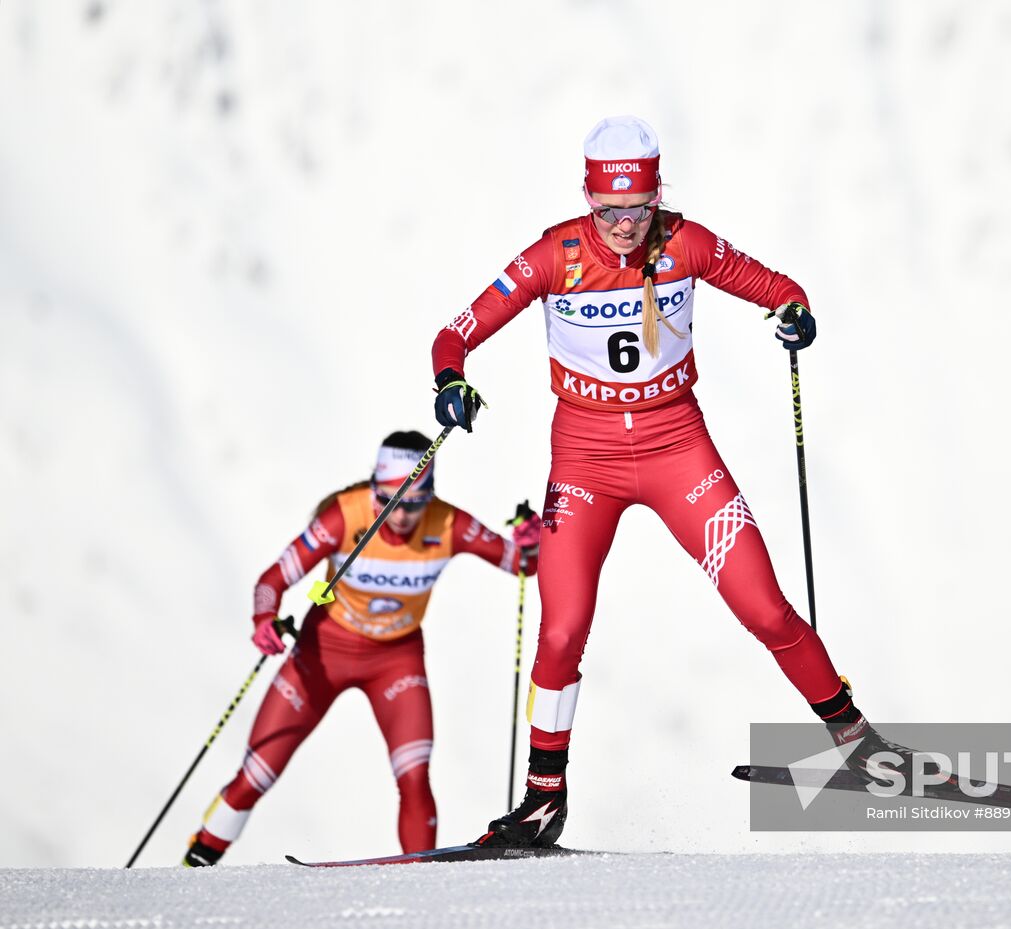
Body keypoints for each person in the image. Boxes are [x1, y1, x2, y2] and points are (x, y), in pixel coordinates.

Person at [430, 116, 913, 849]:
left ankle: (857, 739)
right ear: (588, 199)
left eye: (640, 209)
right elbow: (455, 332)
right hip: (586, 463)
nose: (625, 226)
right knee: (561, 632)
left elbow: (781, 288)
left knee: (767, 609)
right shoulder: (553, 255)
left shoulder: (685, 243)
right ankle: (541, 799)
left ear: (658, 196)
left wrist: (794, 315)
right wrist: (450, 380)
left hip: (676, 449)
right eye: (608, 211)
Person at [183, 430, 541, 866]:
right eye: (392, 500)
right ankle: (199, 859)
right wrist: (264, 621)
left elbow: (522, 565)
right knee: (255, 775)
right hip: (322, 655)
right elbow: (272, 580)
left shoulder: (448, 523)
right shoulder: (344, 517)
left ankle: (424, 883)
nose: (405, 514)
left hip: (395, 659)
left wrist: (531, 542)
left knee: (414, 777)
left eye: (416, 501)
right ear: (375, 488)